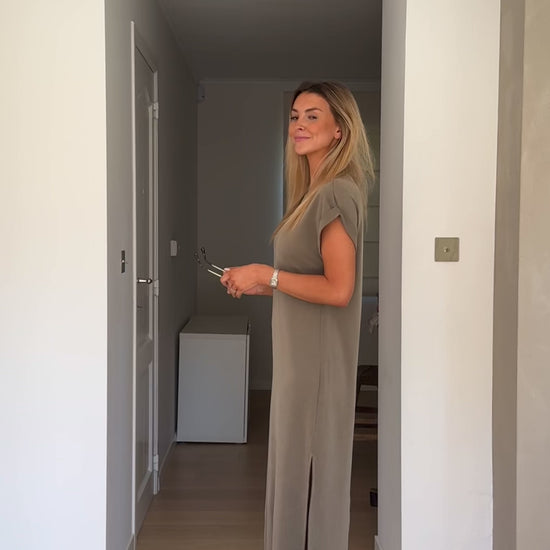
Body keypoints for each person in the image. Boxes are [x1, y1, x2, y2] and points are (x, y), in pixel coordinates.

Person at [220, 81, 374, 550]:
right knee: (291, 478)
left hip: (317, 368)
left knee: (311, 484)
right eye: (294, 116)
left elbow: (339, 290)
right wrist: (259, 282)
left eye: (312, 116)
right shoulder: (311, 194)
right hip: (299, 363)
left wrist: (266, 274)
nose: (299, 125)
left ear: (339, 130)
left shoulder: (337, 194)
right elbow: (305, 283)